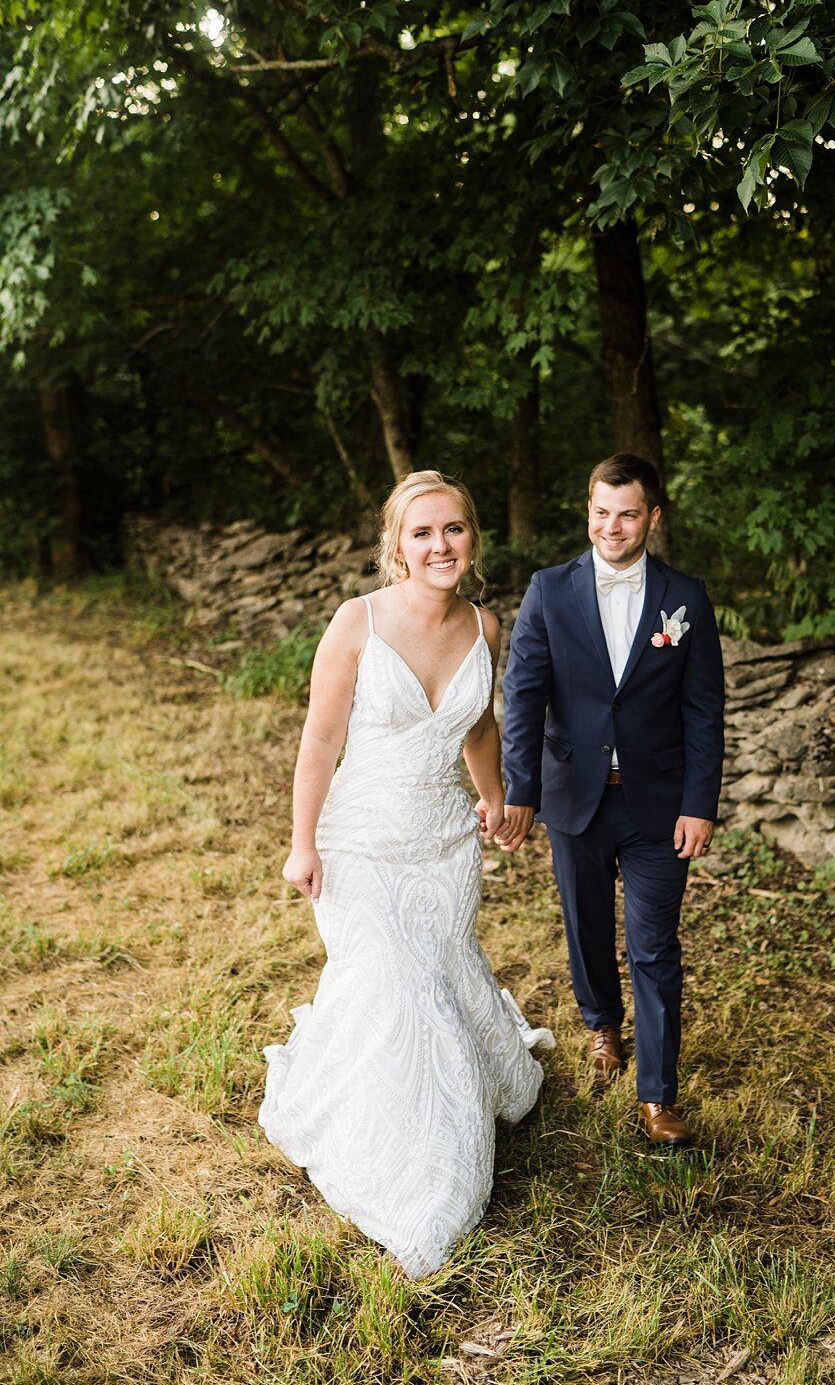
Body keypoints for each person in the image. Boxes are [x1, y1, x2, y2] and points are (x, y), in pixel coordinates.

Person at [259, 470, 553, 1278]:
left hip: (445, 844)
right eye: (422, 533)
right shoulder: (356, 623)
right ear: (397, 545)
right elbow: (320, 741)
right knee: (395, 987)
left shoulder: (485, 627)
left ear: (472, 539)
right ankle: (413, 1176)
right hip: (358, 842)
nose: (439, 546)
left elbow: (481, 722)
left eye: (453, 530)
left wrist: (493, 800)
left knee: (440, 975)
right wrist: (302, 841)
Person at [500, 454, 724, 1147]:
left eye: (627, 513)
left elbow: (704, 709)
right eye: (601, 512)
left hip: (660, 806)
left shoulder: (685, 598)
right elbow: (525, 696)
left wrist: (701, 802)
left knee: (655, 947)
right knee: (587, 926)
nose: (612, 526)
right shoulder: (549, 590)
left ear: (652, 517)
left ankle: (658, 1098)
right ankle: (601, 1023)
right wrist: (522, 792)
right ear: (588, 510)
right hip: (575, 799)